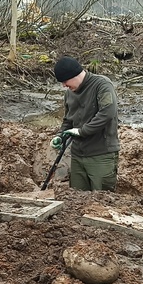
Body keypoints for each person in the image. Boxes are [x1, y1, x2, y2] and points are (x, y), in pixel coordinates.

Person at [53, 56, 120, 191]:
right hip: (78, 155)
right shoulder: (69, 94)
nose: (64, 85)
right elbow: (68, 120)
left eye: (65, 81)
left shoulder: (102, 85)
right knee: (77, 198)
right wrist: (60, 136)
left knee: (102, 200)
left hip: (101, 154)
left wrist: (82, 131)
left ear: (75, 75)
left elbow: (107, 113)